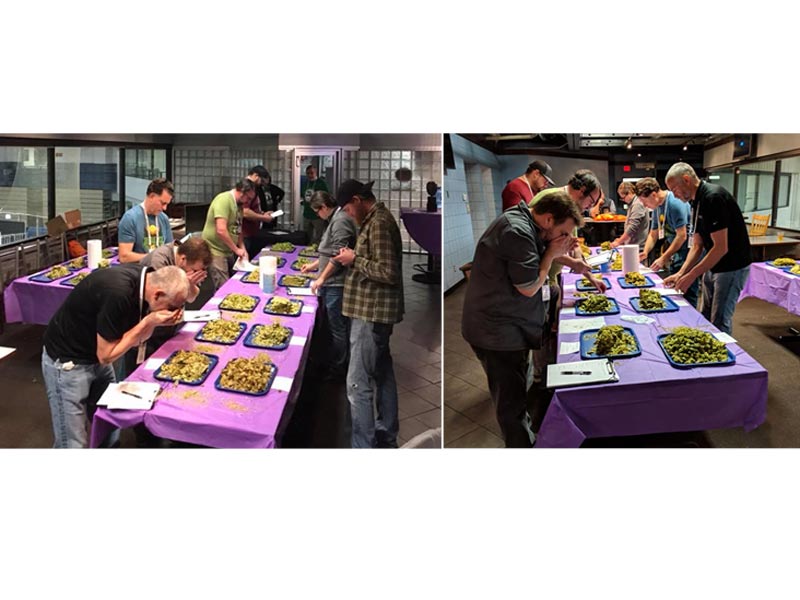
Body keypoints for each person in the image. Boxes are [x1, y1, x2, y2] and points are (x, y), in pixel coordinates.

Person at [462, 192, 582, 448]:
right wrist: (551, 254)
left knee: (518, 390)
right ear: (549, 219)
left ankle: (526, 435)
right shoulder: (516, 231)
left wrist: (568, 258)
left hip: (508, 326)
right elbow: (529, 286)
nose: (564, 238)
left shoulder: (529, 224)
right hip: (496, 332)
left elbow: (536, 254)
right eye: (563, 232)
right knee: (511, 404)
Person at [41, 265, 190, 448]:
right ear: (158, 295)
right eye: (172, 307)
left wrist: (151, 323)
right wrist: (147, 322)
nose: (173, 312)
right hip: (68, 362)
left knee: (108, 425)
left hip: (96, 355)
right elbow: (106, 355)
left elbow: (136, 340)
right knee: (72, 442)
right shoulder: (118, 292)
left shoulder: (146, 281)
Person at [332, 179, 404, 448]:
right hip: (371, 310)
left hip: (371, 313)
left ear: (358, 200)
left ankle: (363, 446)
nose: (349, 214)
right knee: (382, 372)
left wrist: (354, 260)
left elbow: (389, 272)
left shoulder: (379, 223)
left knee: (357, 384)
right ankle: (386, 431)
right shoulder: (373, 220)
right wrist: (355, 257)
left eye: (348, 209)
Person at [664, 162, 751, 335]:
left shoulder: (713, 197)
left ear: (687, 180)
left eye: (674, 189)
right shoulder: (695, 201)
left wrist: (692, 275)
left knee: (719, 319)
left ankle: (723, 357)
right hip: (714, 265)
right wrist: (681, 273)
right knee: (705, 315)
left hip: (731, 266)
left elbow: (721, 248)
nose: (674, 195)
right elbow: (697, 245)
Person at [302, 191, 357, 380]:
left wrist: (321, 278)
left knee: (338, 327)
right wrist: (313, 266)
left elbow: (337, 256)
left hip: (337, 284)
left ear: (324, 207)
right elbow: (327, 253)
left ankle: (339, 367)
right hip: (331, 282)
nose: (318, 215)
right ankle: (333, 361)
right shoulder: (334, 219)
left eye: (317, 212)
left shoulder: (340, 220)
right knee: (333, 325)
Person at [635, 177, 698, 308]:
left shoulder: (674, 204)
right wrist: (645, 252)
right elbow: (654, 233)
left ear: (653, 195)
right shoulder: (658, 206)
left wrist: (664, 258)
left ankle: (690, 318)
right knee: (676, 288)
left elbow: (682, 236)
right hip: (677, 251)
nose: (645, 206)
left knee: (687, 289)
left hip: (688, 251)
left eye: (644, 202)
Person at [201, 179, 256, 290]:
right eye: (248, 198)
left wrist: (243, 248)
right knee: (224, 287)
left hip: (228, 250)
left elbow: (238, 229)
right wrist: (236, 249)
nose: (249, 202)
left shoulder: (239, 205)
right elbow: (221, 230)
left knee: (233, 282)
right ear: (241, 192)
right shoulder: (224, 200)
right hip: (215, 250)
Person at [139, 236, 212, 304]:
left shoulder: (191, 263)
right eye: (194, 270)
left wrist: (190, 284)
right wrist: (184, 282)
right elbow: (159, 300)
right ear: (183, 259)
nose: (196, 273)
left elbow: (191, 298)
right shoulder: (159, 260)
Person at [118, 178, 175, 263]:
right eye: (163, 203)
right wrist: (154, 257)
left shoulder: (164, 218)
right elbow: (124, 257)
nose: (164, 208)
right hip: (138, 271)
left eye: (167, 204)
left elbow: (170, 251)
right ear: (152, 196)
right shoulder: (130, 218)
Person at [242, 166, 275, 258]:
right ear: (256, 176)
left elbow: (251, 209)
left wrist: (261, 214)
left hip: (251, 232)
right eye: (262, 182)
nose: (262, 185)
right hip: (244, 234)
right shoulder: (246, 188)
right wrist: (263, 218)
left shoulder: (253, 188)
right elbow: (245, 212)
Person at [610, 181, 649, 250]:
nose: (623, 200)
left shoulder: (637, 204)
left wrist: (619, 241)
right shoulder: (633, 203)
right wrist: (622, 240)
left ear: (629, 193)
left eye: (623, 198)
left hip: (638, 247)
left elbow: (632, 227)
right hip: (633, 245)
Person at [300, 165, 329, 244]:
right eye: (308, 173)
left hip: (317, 215)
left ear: (316, 173)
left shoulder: (321, 183)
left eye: (311, 173)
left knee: (318, 236)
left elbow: (326, 197)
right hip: (307, 213)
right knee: (306, 235)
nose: (309, 175)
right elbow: (302, 195)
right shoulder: (305, 183)